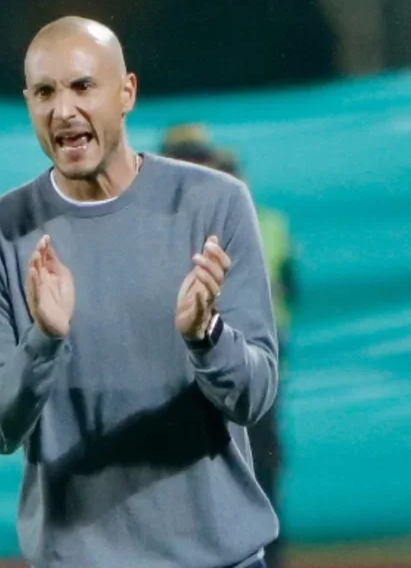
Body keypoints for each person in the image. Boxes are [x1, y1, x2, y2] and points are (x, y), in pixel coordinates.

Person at [0, 16, 279, 568]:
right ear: (28, 102)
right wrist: (43, 341)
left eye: (83, 86)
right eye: (45, 93)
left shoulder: (214, 204)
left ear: (126, 92)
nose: (63, 110)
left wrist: (207, 336)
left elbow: (255, 395)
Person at [161, 127, 298, 568]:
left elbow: (287, 292)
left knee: (257, 468)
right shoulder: (161, 222)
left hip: (245, 364)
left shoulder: (250, 221)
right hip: (187, 370)